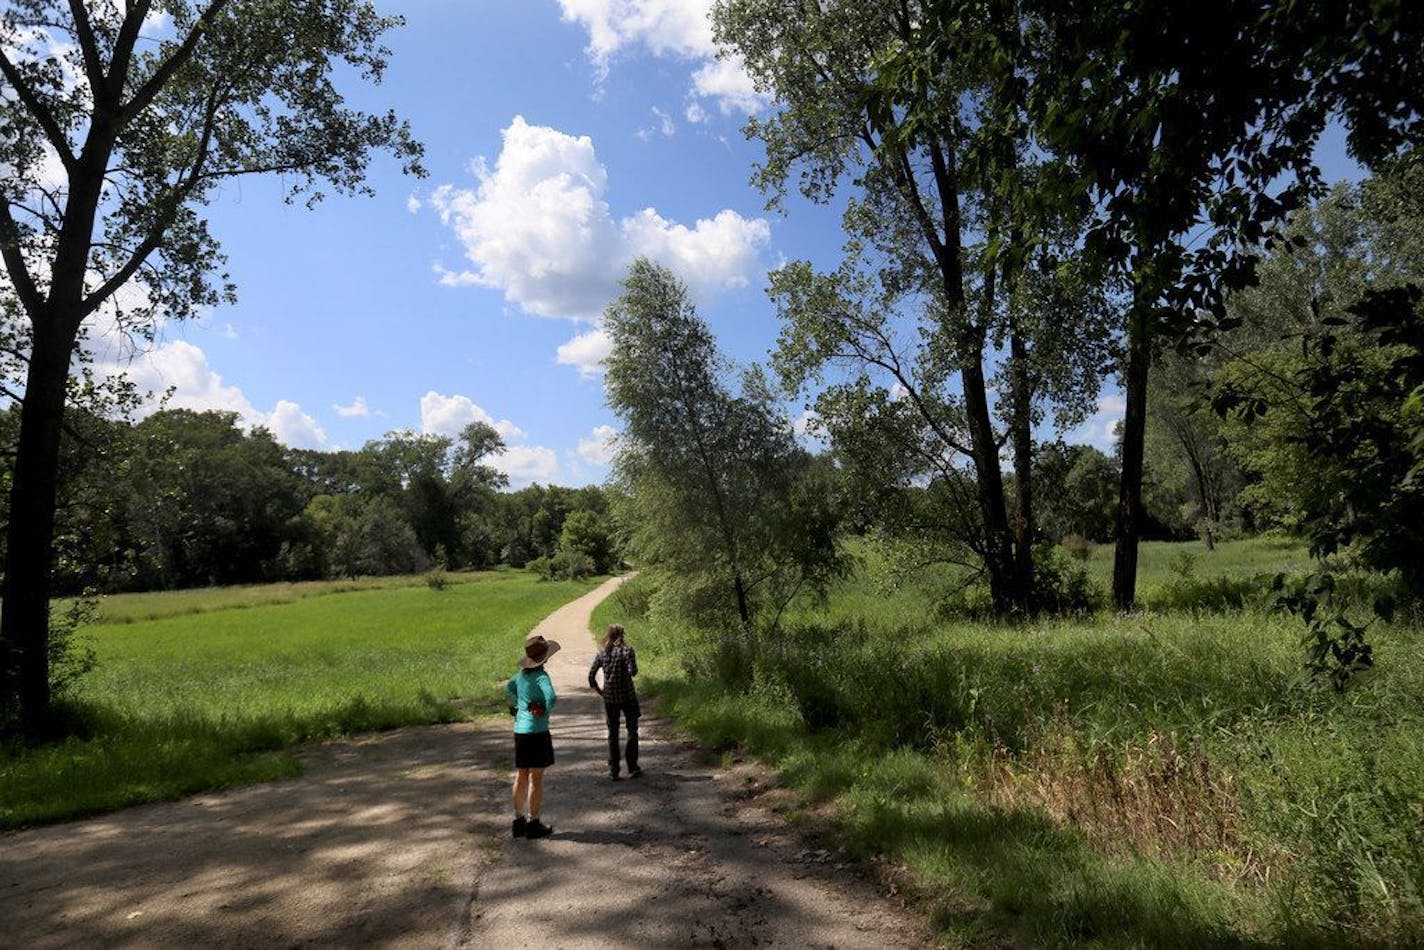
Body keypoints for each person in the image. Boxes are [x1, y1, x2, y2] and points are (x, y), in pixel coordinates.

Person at [506, 633, 559, 839]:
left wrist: (519, 704)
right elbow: (551, 697)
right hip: (537, 732)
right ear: (544, 658)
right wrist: (543, 711)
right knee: (536, 779)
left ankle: (518, 821)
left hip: (520, 731)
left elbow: (509, 687)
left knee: (521, 776)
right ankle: (533, 822)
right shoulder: (541, 677)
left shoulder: (520, 676)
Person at [588, 622, 641, 780]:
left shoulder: (602, 653)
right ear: (622, 635)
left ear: (608, 635)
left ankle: (614, 770)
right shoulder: (627, 650)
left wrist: (601, 692)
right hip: (628, 697)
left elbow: (591, 677)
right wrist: (628, 662)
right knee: (632, 731)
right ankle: (632, 767)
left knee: (613, 733)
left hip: (610, 698)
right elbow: (633, 672)